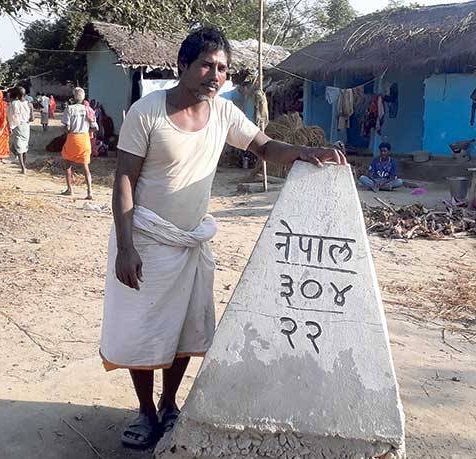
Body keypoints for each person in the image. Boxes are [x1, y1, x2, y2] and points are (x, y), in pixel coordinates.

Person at [99, 26, 346, 449]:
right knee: (143, 329)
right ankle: (144, 411)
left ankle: (169, 404)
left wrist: (303, 153)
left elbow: (264, 147)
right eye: (206, 65)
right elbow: (124, 179)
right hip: (146, 239)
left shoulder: (224, 113)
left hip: (192, 241)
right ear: (183, 66)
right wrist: (126, 247)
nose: (215, 76)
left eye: (222, 69)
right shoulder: (147, 112)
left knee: (183, 328)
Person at [60, 87, 98, 199]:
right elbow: (94, 127)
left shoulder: (69, 109)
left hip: (73, 138)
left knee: (67, 165)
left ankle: (70, 189)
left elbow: (67, 127)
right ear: (83, 97)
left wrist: (66, 132)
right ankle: (89, 191)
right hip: (85, 139)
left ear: (73, 97)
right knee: (85, 166)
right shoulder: (88, 109)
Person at [7, 86, 32, 174]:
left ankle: (23, 168)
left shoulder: (14, 104)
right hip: (26, 127)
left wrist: (10, 127)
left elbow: (10, 116)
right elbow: (32, 118)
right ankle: (24, 166)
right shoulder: (29, 104)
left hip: (18, 126)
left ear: (17, 95)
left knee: (19, 147)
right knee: (24, 147)